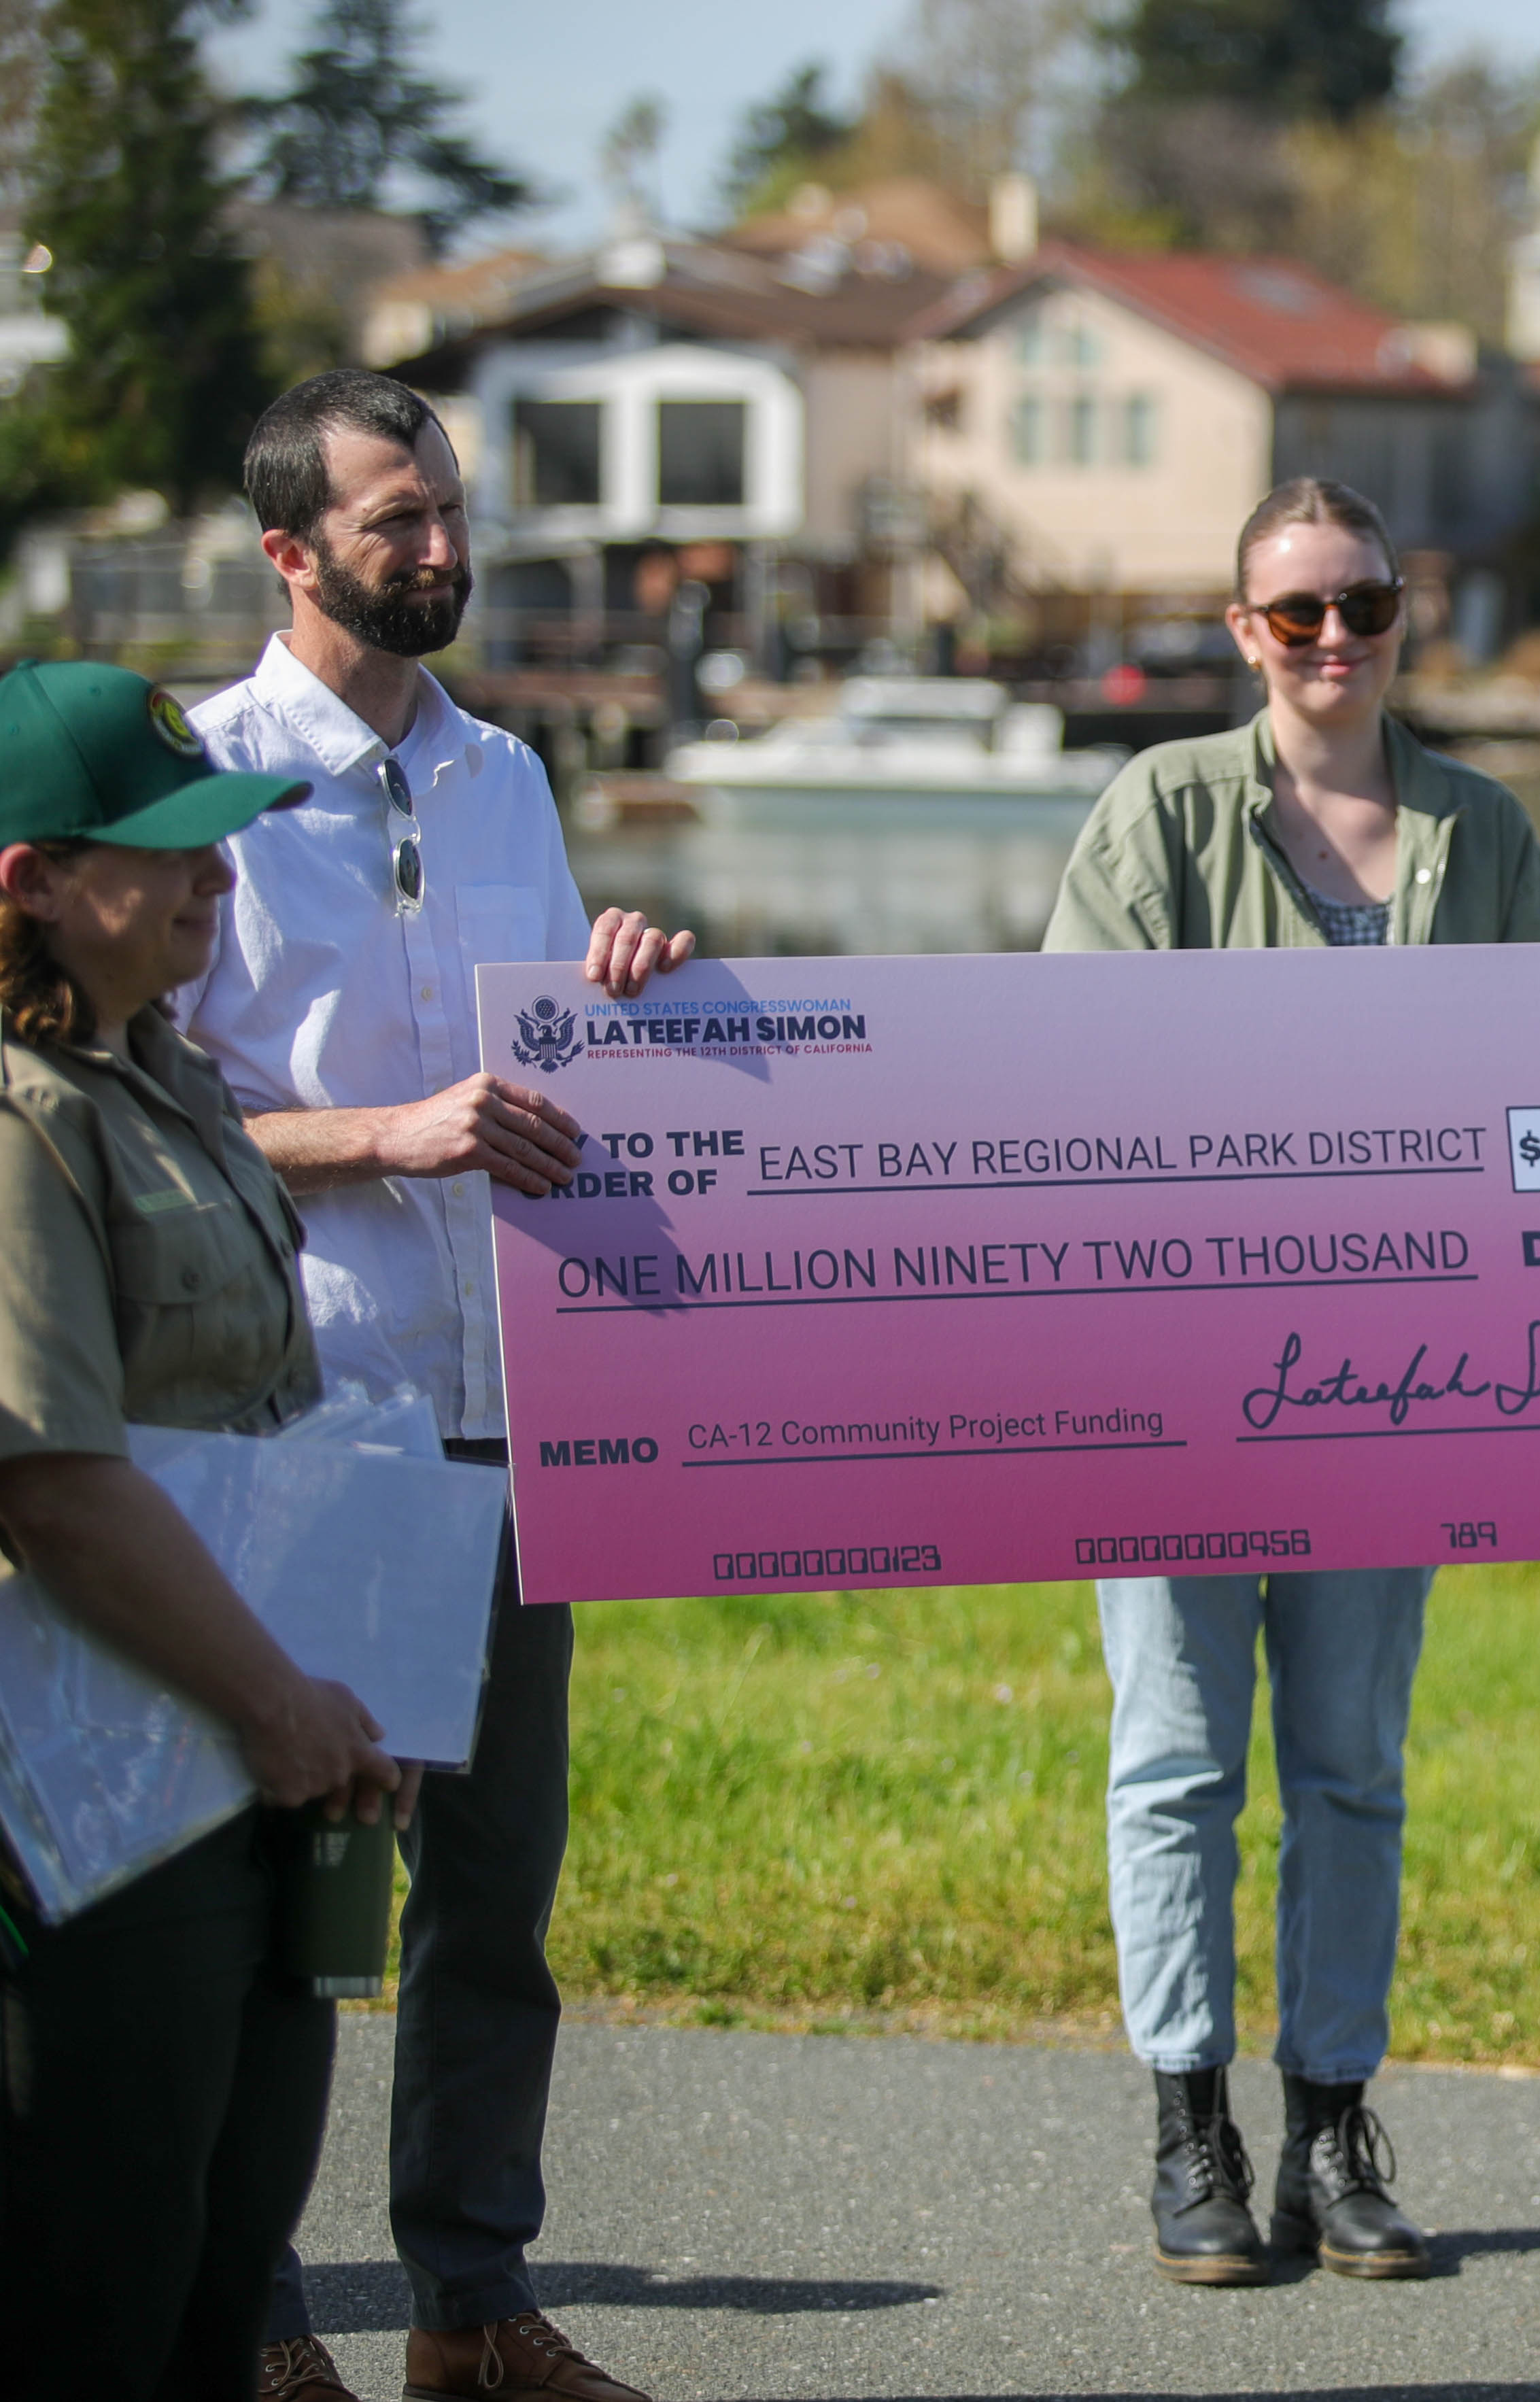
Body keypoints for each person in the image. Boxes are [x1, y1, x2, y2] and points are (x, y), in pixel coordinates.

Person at [178, 371, 692, 2402]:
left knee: (491, 1897)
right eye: (399, 520)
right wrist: (384, 1134)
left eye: (449, 510)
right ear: (293, 551)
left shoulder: (507, 778)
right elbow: (155, 1112)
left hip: (516, 1402)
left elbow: (545, 1077)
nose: (444, 549)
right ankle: (259, 2309)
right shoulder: (201, 778)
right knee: (290, 1898)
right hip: (307, 1415)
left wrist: (625, 989)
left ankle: (472, 2307)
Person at [1046, 476, 1540, 2286]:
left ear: (1403, 615)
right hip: (1166, 1387)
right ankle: (1187, 2117)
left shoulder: (1485, 833)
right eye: (1296, 614)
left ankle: (1331, 2118)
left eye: (1364, 605)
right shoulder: (1155, 813)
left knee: (1349, 1766)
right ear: (1241, 629)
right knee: (1176, 1760)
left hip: (1394, 1394)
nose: (1334, 639)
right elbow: (1067, 1079)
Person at [0, 661, 411, 2402]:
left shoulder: (167, 1080)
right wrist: (279, 1697)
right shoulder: (25, 1121)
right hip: (92, 1796)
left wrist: (359, 1686)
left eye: (222, 840)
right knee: (91, 2277)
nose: (216, 879)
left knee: (223, 2266)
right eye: (166, 850)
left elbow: (265, 1430)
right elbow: (52, 1484)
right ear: (26, 875)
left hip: (256, 1764)